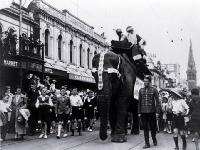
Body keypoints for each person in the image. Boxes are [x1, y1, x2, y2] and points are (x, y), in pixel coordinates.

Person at [138, 76, 160, 149]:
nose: (145, 83)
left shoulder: (154, 90)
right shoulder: (141, 90)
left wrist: (157, 112)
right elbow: (139, 102)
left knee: (153, 128)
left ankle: (154, 138)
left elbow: (157, 102)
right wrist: (139, 112)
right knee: (145, 128)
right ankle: (147, 143)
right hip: (143, 112)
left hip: (152, 112)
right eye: (144, 81)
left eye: (146, 81)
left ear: (150, 82)